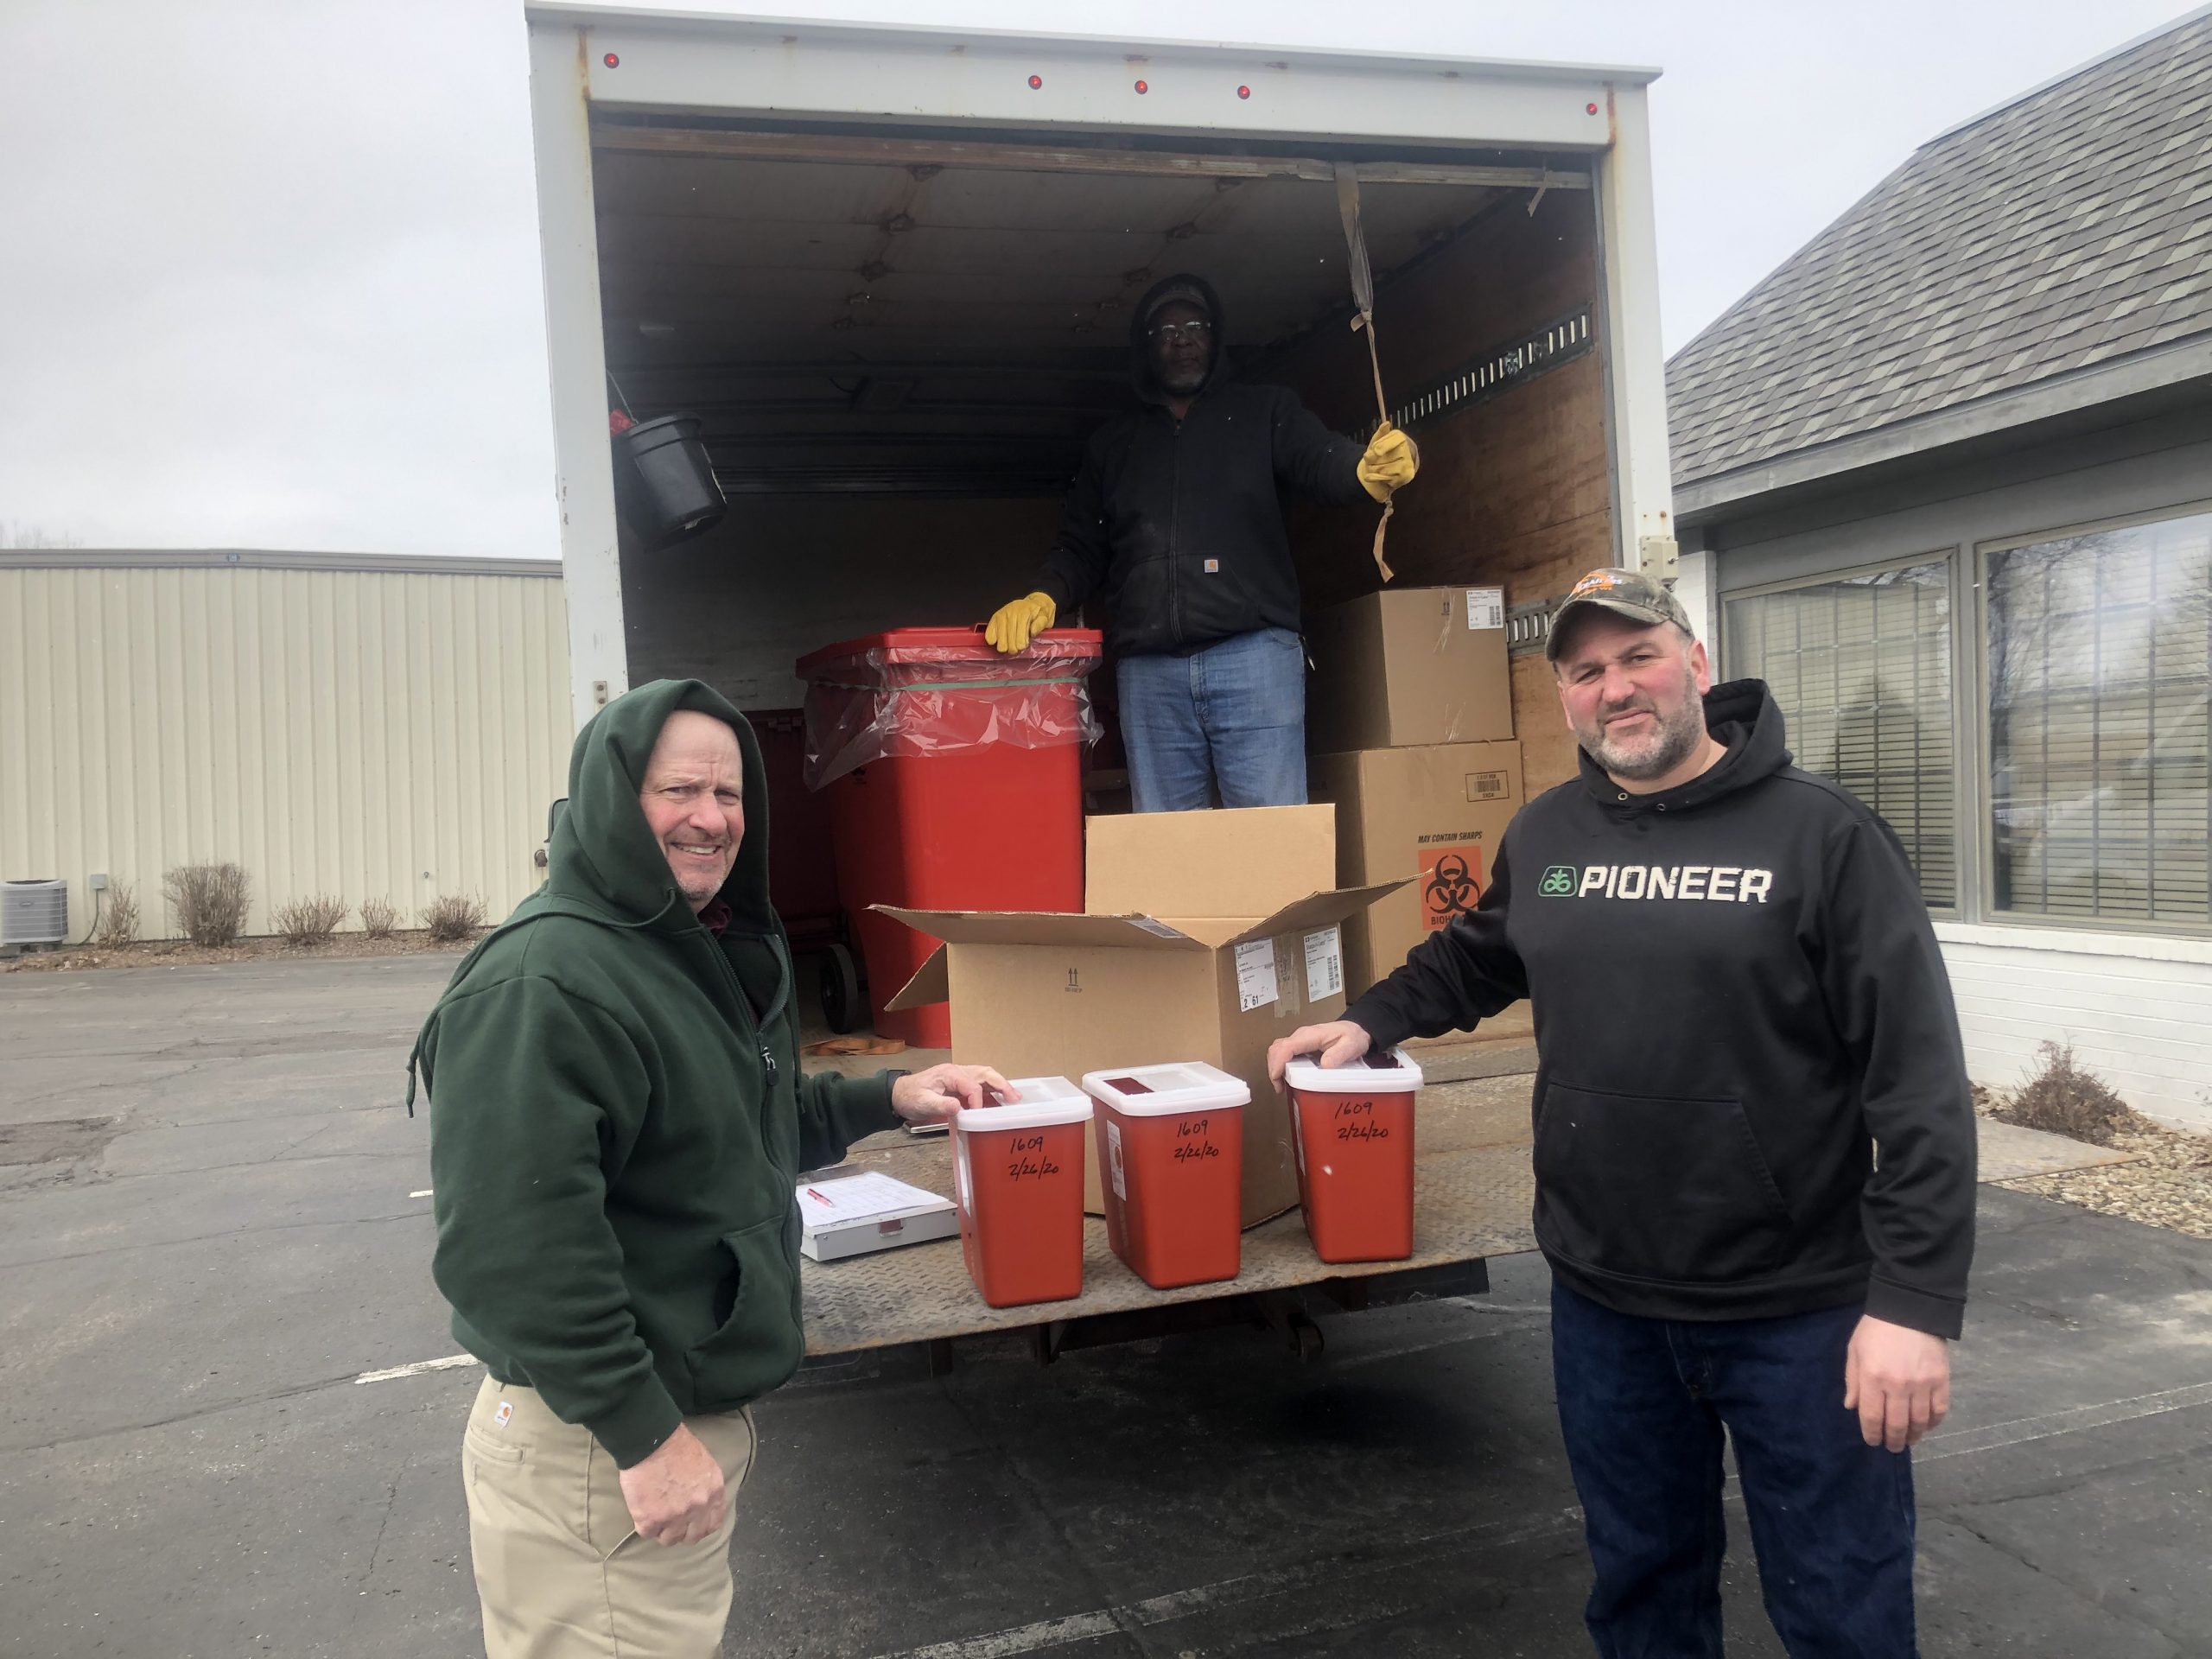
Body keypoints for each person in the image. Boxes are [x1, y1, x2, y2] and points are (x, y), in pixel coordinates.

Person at [1268, 567, 1976, 1658]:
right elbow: (1474, 958)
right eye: (1584, 671)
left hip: (1799, 1314)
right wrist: (1368, 1021)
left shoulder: (1824, 839)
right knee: (1641, 1593)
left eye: (1638, 657)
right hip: (1606, 1309)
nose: (1615, 689)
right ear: (1564, 697)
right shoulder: (1550, 835)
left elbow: (1918, 1082)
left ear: (1696, 664)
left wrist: (1914, 1304)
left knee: (1842, 1606)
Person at [407, 678, 1012, 1658]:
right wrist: (643, 1437)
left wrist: (892, 1094)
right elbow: (514, 1258)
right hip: (595, 1452)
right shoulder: (545, 983)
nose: (710, 819)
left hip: (658, 1425)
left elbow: (739, 1120)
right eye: (678, 791)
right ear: (612, 797)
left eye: (729, 796)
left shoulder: (682, 949)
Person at [983, 271, 1419, 811]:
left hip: (1254, 656)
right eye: (1165, 330)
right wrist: (1043, 595)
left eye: (1194, 325)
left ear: (1215, 338)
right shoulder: (1114, 445)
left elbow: (1318, 461)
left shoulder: (1266, 412)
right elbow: (1080, 545)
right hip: (1150, 674)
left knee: (1272, 834)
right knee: (1168, 849)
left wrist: (1363, 471)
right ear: (1146, 349)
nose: (1182, 338)